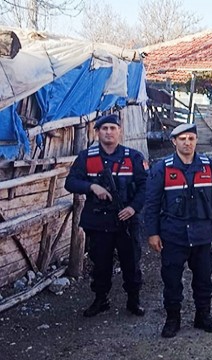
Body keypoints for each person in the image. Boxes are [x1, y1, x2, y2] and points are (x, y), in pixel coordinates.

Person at [144, 123, 212, 338]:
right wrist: (152, 233)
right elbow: (151, 203)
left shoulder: (209, 166)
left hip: (202, 234)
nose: (187, 143)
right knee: (172, 280)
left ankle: (203, 316)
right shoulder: (163, 167)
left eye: (191, 138)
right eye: (182, 139)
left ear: (196, 140)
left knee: (204, 279)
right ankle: (173, 319)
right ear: (174, 142)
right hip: (173, 235)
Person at [64, 113, 147, 318]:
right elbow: (70, 182)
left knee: (131, 262)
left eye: (112, 128)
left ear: (120, 131)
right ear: (98, 132)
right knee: (100, 263)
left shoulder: (133, 157)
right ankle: (101, 300)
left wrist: (133, 208)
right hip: (99, 221)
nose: (108, 132)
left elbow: (147, 186)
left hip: (126, 219)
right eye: (104, 129)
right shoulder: (87, 157)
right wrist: (92, 186)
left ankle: (133, 301)